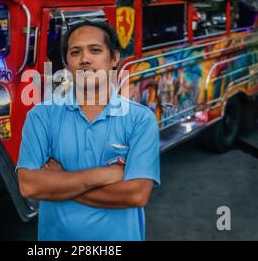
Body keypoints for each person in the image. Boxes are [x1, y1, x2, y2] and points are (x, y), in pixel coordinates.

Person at [16, 19, 160, 241]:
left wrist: (60, 181)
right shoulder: (41, 116)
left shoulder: (140, 119)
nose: (85, 59)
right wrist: (104, 174)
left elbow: (137, 194)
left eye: (95, 50)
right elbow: (29, 186)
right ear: (66, 63)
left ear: (114, 58)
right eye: (75, 52)